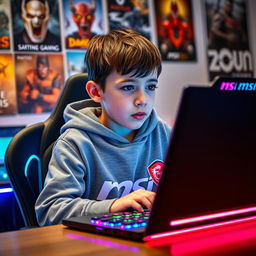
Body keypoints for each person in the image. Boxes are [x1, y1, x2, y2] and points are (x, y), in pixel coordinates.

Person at [35, 28, 171, 226]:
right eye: (128, 87)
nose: (143, 100)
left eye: (150, 87)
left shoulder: (163, 134)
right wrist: (112, 205)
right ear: (96, 92)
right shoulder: (75, 143)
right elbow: (50, 211)